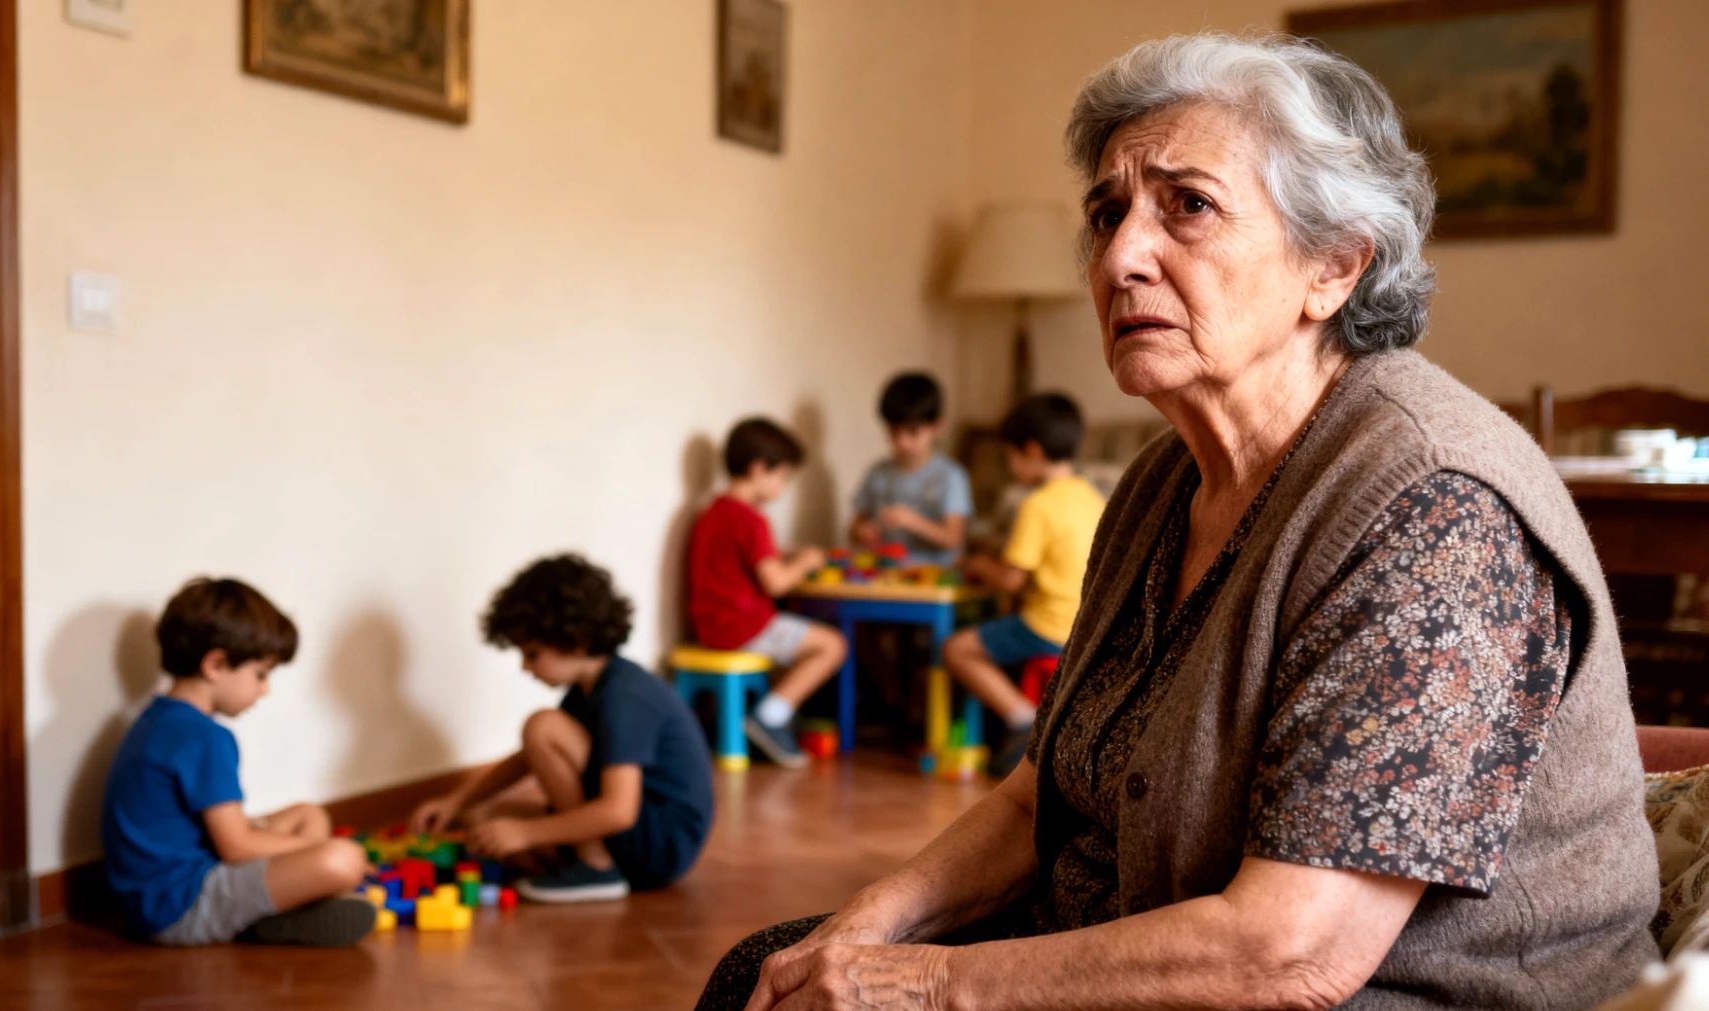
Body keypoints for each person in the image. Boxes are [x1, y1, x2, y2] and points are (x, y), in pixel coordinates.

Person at [699, 32, 1658, 1011]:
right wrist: (866, 926)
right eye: (1106, 213)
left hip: (1388, 993)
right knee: (768, 974)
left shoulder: (1437, 510)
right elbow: (1040, 795)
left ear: (1331, 267)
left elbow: (1293, 956)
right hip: (1158, 939)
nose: (1120, 257)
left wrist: (929, 984)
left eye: (1187, 207)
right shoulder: (1163, 480)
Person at [410, 554, 715, 903]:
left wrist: (526, 833)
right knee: (489, 822)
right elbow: (528, 758)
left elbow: (619, 809)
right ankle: (584, 855)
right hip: (646, 834)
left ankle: (596, 866)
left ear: (577, 641)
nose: (525, 667)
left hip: (658, 846)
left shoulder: (625, 697)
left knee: (541, 728)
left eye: (532, 654)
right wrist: (455, 801)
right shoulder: (591, 687)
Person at [101, 578, 375, 947]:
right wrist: (316, 853)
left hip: (154, 900)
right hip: (184, 907)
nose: (265, 690)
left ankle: (289, 902)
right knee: (341, 859)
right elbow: (237, 846)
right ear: (215, 664)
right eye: (260, 675)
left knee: (310, 815)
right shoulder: (204, 737)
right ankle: (285, 907)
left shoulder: (158, 720)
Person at [945, 393, 1105, 778]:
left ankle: (1022, 719)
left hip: (1048, 624)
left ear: (1031, 451)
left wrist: (980, 564)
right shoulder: (1091, 496)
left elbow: (1012, 580)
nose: (1010, 467)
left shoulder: (1037, 505)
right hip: (1087, 625)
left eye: (1010, 457)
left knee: (957, 648)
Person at [687, 417, 847, 768]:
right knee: (832, 645)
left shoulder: (712, 513)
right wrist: (804, 562)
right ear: (759, 469)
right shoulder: (753, 518)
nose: (783, 487)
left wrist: (782, 554)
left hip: (709, 626)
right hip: (744, 626)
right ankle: (769, 719)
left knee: (792, 650)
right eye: (783, 477)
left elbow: (741, 562)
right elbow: (776, 583)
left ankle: (763, 717)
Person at [849, 373, 973, 567]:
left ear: (937, 426)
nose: (902, 442)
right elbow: (855, 528)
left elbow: (954, 538)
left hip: (935, 576)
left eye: (913, 432)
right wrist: (863, 532)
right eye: (893, 432)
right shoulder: (878, 472)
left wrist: (913, 521)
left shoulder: (951, 476)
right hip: (886, 573)